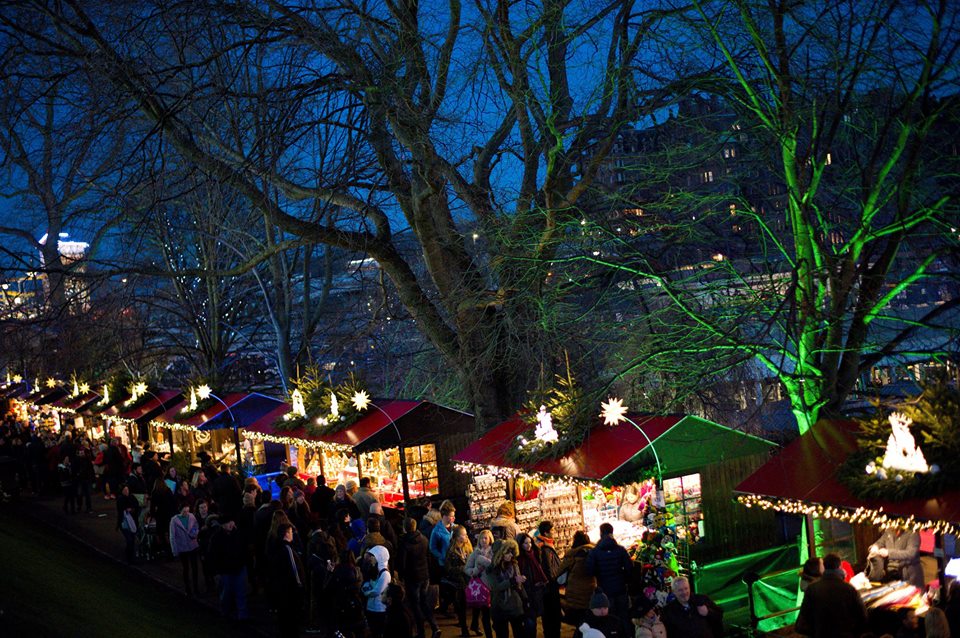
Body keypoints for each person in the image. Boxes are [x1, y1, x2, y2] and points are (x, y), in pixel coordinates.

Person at [794, 553, 866, 638]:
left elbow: (801, 625)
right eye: (822, 564)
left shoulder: (812, 589)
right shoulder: (849, 589)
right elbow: (863, 618)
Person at [586, 522, 633, 634]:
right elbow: (629, 567)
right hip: (621, 588)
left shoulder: (595, 552)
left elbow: (589, 571)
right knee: (624, 616)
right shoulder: (620, 550)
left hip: (605, 590)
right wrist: (624, 580)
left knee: (609, 619)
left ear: (601, 533)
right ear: (612, 532)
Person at [398, 517, 440, 638]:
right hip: (424, 575)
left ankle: (421, 631)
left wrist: (401, 576)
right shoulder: (424, 539)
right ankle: (435, 626)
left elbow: (402, 563)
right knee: (424, 602)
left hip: (412, 578)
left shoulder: (405, 543)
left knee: (415, 604)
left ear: (405, 528)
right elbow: (429, 558)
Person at [207, 516, 249, 620]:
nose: (230, 524)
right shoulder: (216, 537)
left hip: (239, 568)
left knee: (241, 592)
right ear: (222, 525)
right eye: (227, 523)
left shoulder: (239, 534)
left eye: (231, 521)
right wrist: (216, 571)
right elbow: (212, 555)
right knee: (226, 593)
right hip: (225, 570)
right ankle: (225, 611)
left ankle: (242, 615)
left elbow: (245, 550)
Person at [268, 522, 305, 638]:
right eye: (291, 532)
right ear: (286, 534)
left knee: (284, 618)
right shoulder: (287, 549)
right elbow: (295, 570)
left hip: (280, 589)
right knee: (292, 618)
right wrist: (300, 585)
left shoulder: (276, 547)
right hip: (290, 590)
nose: (292, 534)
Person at [483, 539, 526, 638]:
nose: (511, 555)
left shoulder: (514, 564)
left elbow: (520, 586)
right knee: (502, 634)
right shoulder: (491, 569)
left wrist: (525, 599)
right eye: (508, 552)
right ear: (500, 554)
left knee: (519, 633)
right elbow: (496, 587)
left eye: (511, 552)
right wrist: (513, 581)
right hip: (499, 607)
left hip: (515, 606)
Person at [560, 530, 597, 631]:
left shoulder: (571, 554)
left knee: (578, 620)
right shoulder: (594, 553)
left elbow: (560, 571)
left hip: (574, 592)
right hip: (590, 590)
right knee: (588, 619)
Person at [517, 532, 549, 637]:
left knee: (533, 620)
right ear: (520, 544)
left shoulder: (535, 554)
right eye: (525, 543)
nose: (529, 545)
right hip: (527, 594)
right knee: (530, 622)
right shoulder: (520, 559)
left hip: (536, 593)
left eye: (530, 542)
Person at [465, 529, 495, 638]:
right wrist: (475, 571)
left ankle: (475, 624)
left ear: (490, 539)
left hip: (492, 587)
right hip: (481, 588)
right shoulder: (475, 552)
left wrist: (483, 561)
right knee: (485, 615)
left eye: (485, 538)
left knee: (494, 614)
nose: (483, 540)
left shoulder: (494, 552)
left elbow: (495, 567)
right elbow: (467, 569)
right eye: (481, 538)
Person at [535, 521, 563, 638]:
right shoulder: (545, 548)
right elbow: (549, 569)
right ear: (546, 533)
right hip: (550, 588)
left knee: (548, 617)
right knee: (552, 616)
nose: (554, 532)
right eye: (552, 530)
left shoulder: (542, 544)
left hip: (547, 588)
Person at [446, 524, 475, 637]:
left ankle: (474, 624)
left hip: (468, 580)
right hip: (458, 583)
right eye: (464, 535)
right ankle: (464, 629)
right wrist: (463, 568)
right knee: (461, 606)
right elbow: (448, 569)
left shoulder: (468, 546)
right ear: (457, 537)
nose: (466, 536)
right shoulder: (451, 550)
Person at [331, 550, 366, 638]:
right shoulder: (355, 570)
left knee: (343, 628)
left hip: (341, 602)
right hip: (353, 601)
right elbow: (359, 585)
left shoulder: (337, 569)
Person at [169, 503, 201, 596]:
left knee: (195, 568)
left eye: (188, 511)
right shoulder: (174, 520)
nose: (186, 513)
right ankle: (188, 588)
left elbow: (196, 526)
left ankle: (196, 588)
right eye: (184, 511)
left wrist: (194, 534)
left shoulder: (191, 516)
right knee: (186, 568)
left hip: (193, 546)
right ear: (180, 510)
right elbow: (172, 536)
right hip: (183, 548)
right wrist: (174, 550)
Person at [361, 544, 391, 638]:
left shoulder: (385, 574)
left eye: (373, 556)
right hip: (371, 607)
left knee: (377, 632)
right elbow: (367, 584)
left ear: (379, 557)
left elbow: (376, 591)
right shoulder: (374, 569)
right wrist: (366, 588)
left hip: (379, 608)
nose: (370, 558)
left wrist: (366, 591)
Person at [116, 483, 141, 564]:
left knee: (132, 540)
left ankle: (129, 555)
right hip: (124, 523)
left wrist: (132, 509)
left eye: (127, 490)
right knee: (129, 539)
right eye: (125, 490)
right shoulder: (120, 499)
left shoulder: (132, 497)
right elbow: (120, 509)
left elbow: (137, 506)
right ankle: (130, 557)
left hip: (132, 522)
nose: (126, 491)